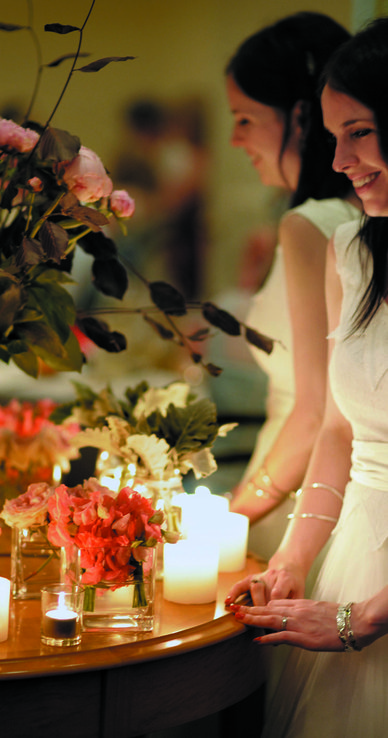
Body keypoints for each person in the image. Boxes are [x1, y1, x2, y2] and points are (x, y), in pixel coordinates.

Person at [226, 17, 388, 737]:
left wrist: (363, 619)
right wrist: (293, 559)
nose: (342, 160)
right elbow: (335, 428)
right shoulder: (349, 251)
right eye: (331, 137)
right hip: (355, 549)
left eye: (359, 131)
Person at [224, 12, 361, 560]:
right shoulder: (361, 219)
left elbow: (315, 413)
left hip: (294, 494)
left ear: (300, 117)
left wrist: (232, 514)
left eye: (245, 119)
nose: (235, 139)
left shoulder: (311, 224)